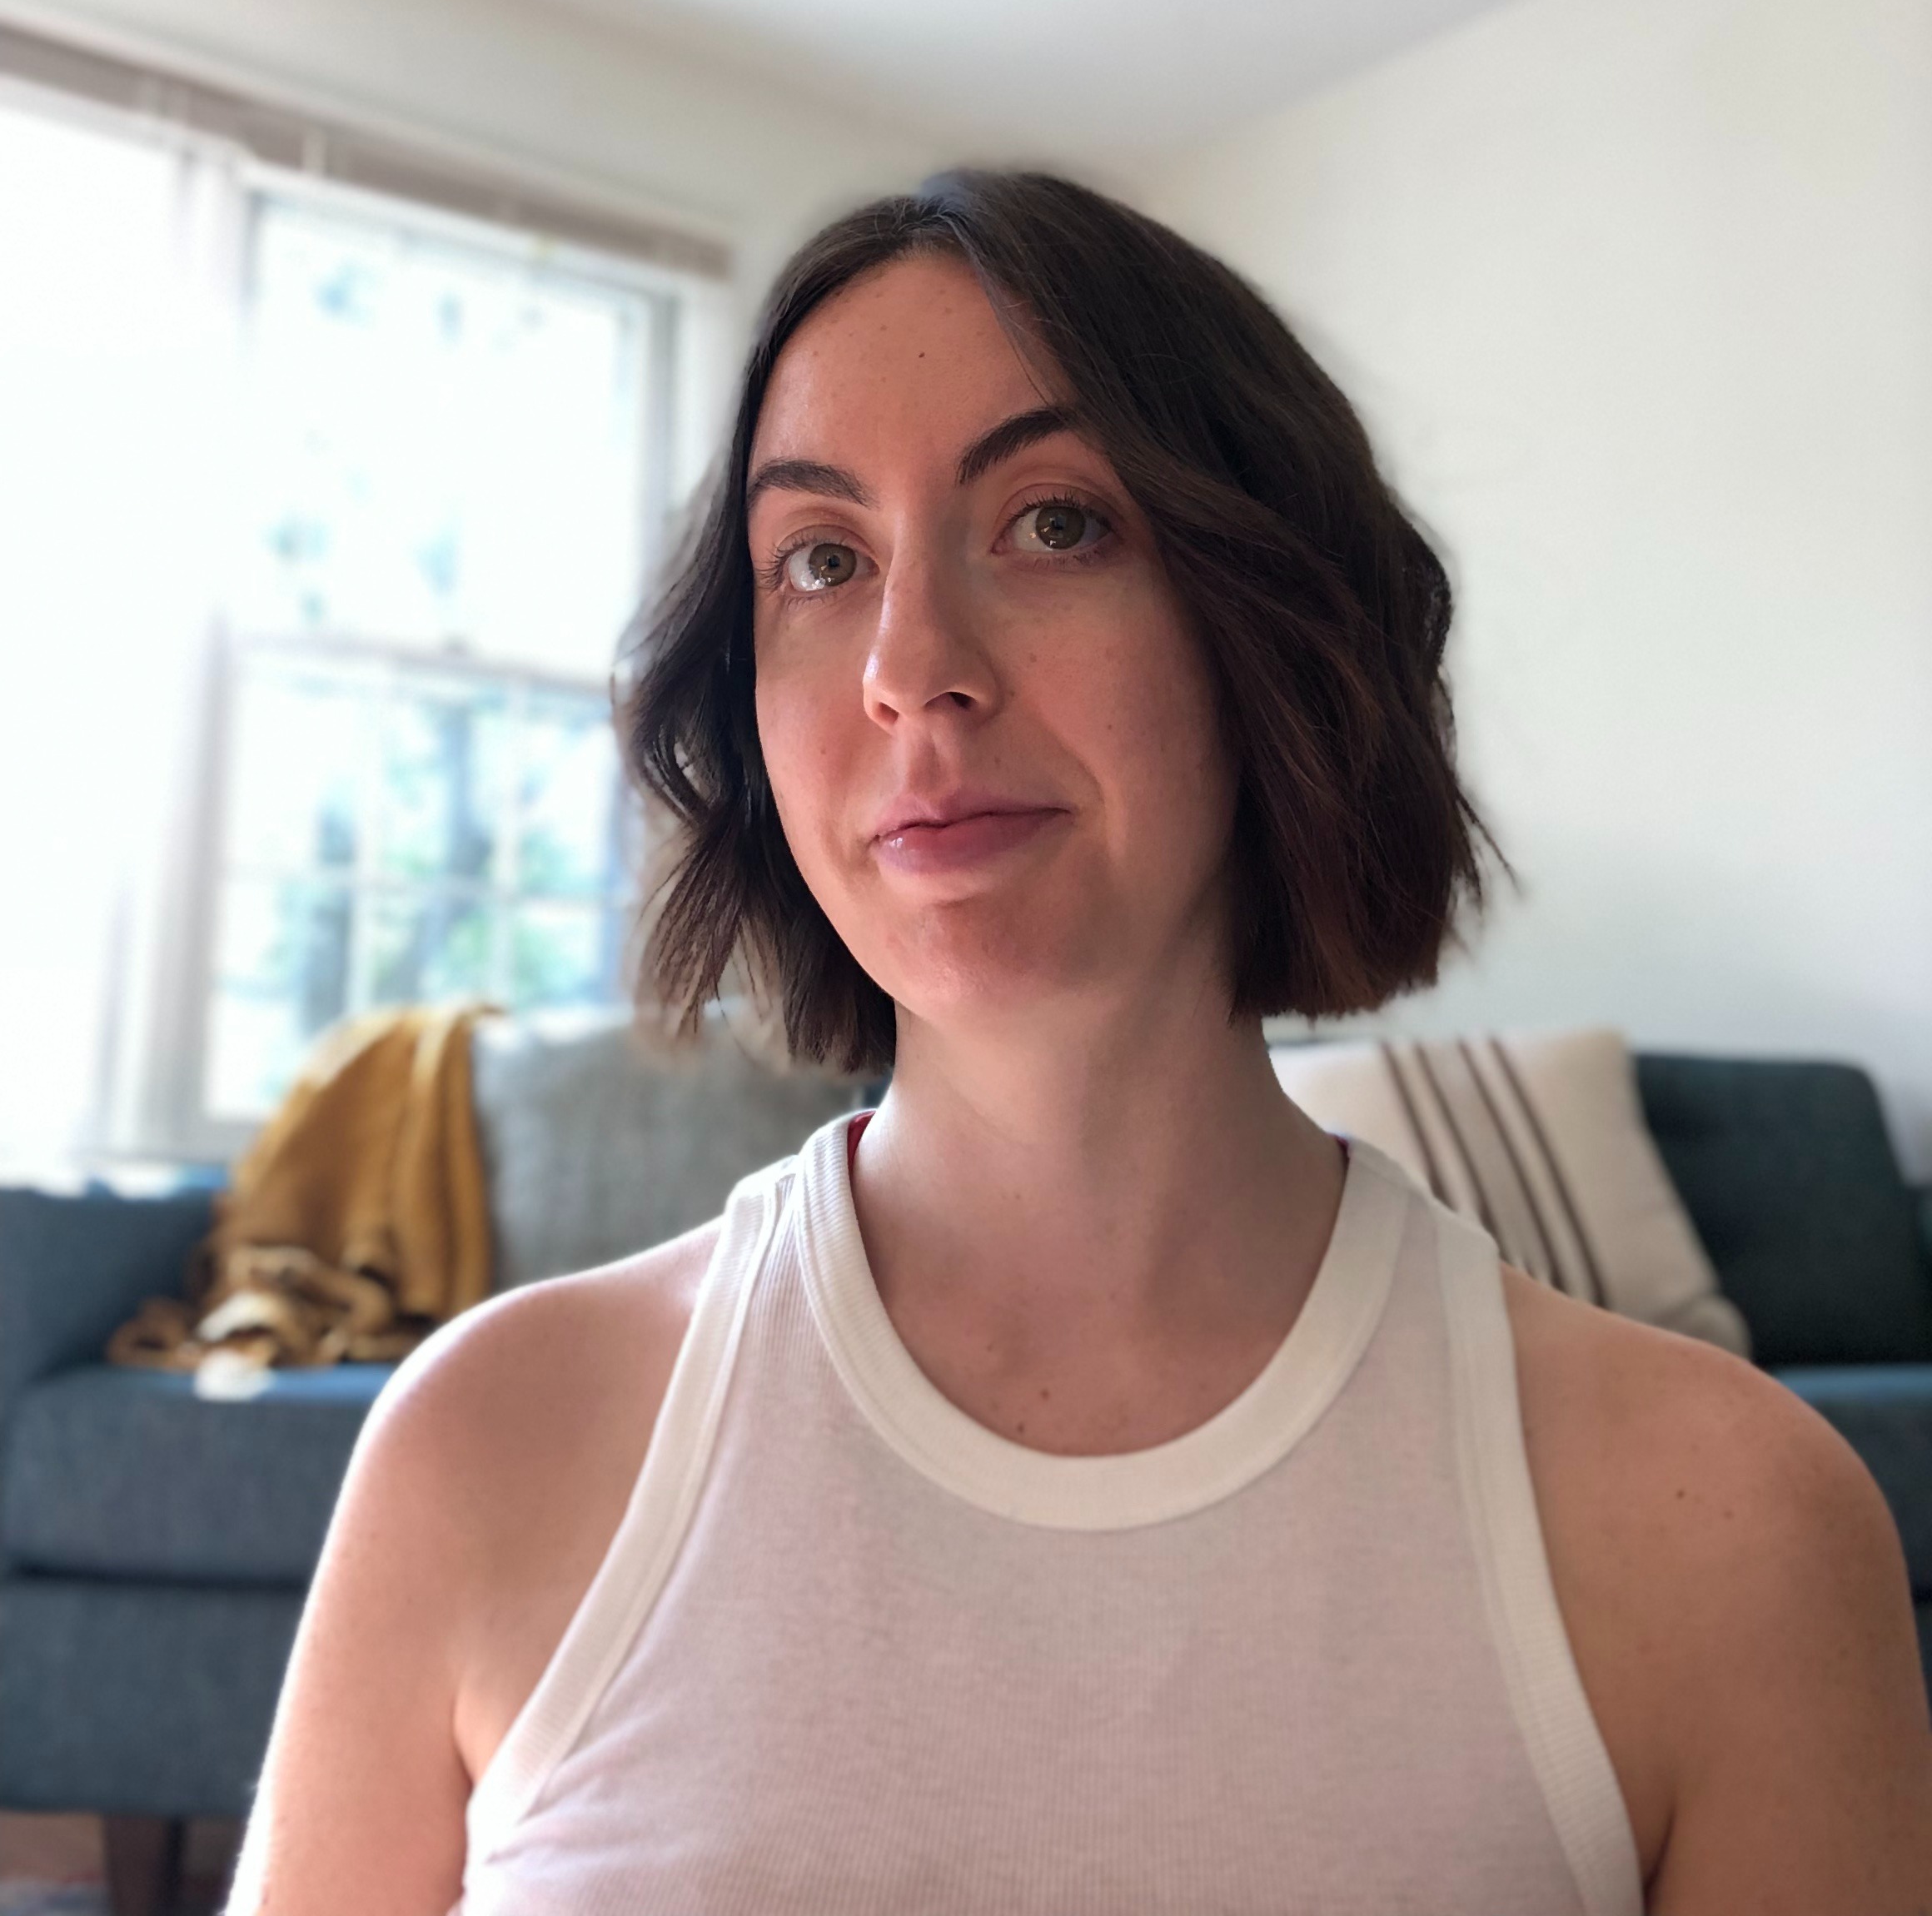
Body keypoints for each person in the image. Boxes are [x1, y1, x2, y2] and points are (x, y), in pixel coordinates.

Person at [227, 170, 1932, 1915]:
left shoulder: (1733, 1530)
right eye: (820, 559)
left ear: (1279, 634)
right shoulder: (481, 1447)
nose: (908, 667)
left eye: (1053, 522)